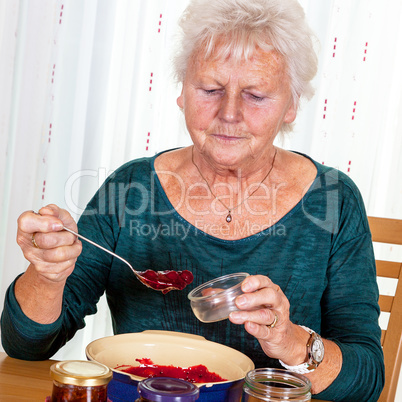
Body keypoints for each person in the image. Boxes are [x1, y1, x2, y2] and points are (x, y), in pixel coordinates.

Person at [1, 0, 384, 400]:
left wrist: (289, 342)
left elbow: (366, 383)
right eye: (211, 89)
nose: (229, 113)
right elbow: (26, 347)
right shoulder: (132, 189)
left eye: (255, 95)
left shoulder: (333, 200)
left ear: (291, 105)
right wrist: (47, 276)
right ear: (182, 92)